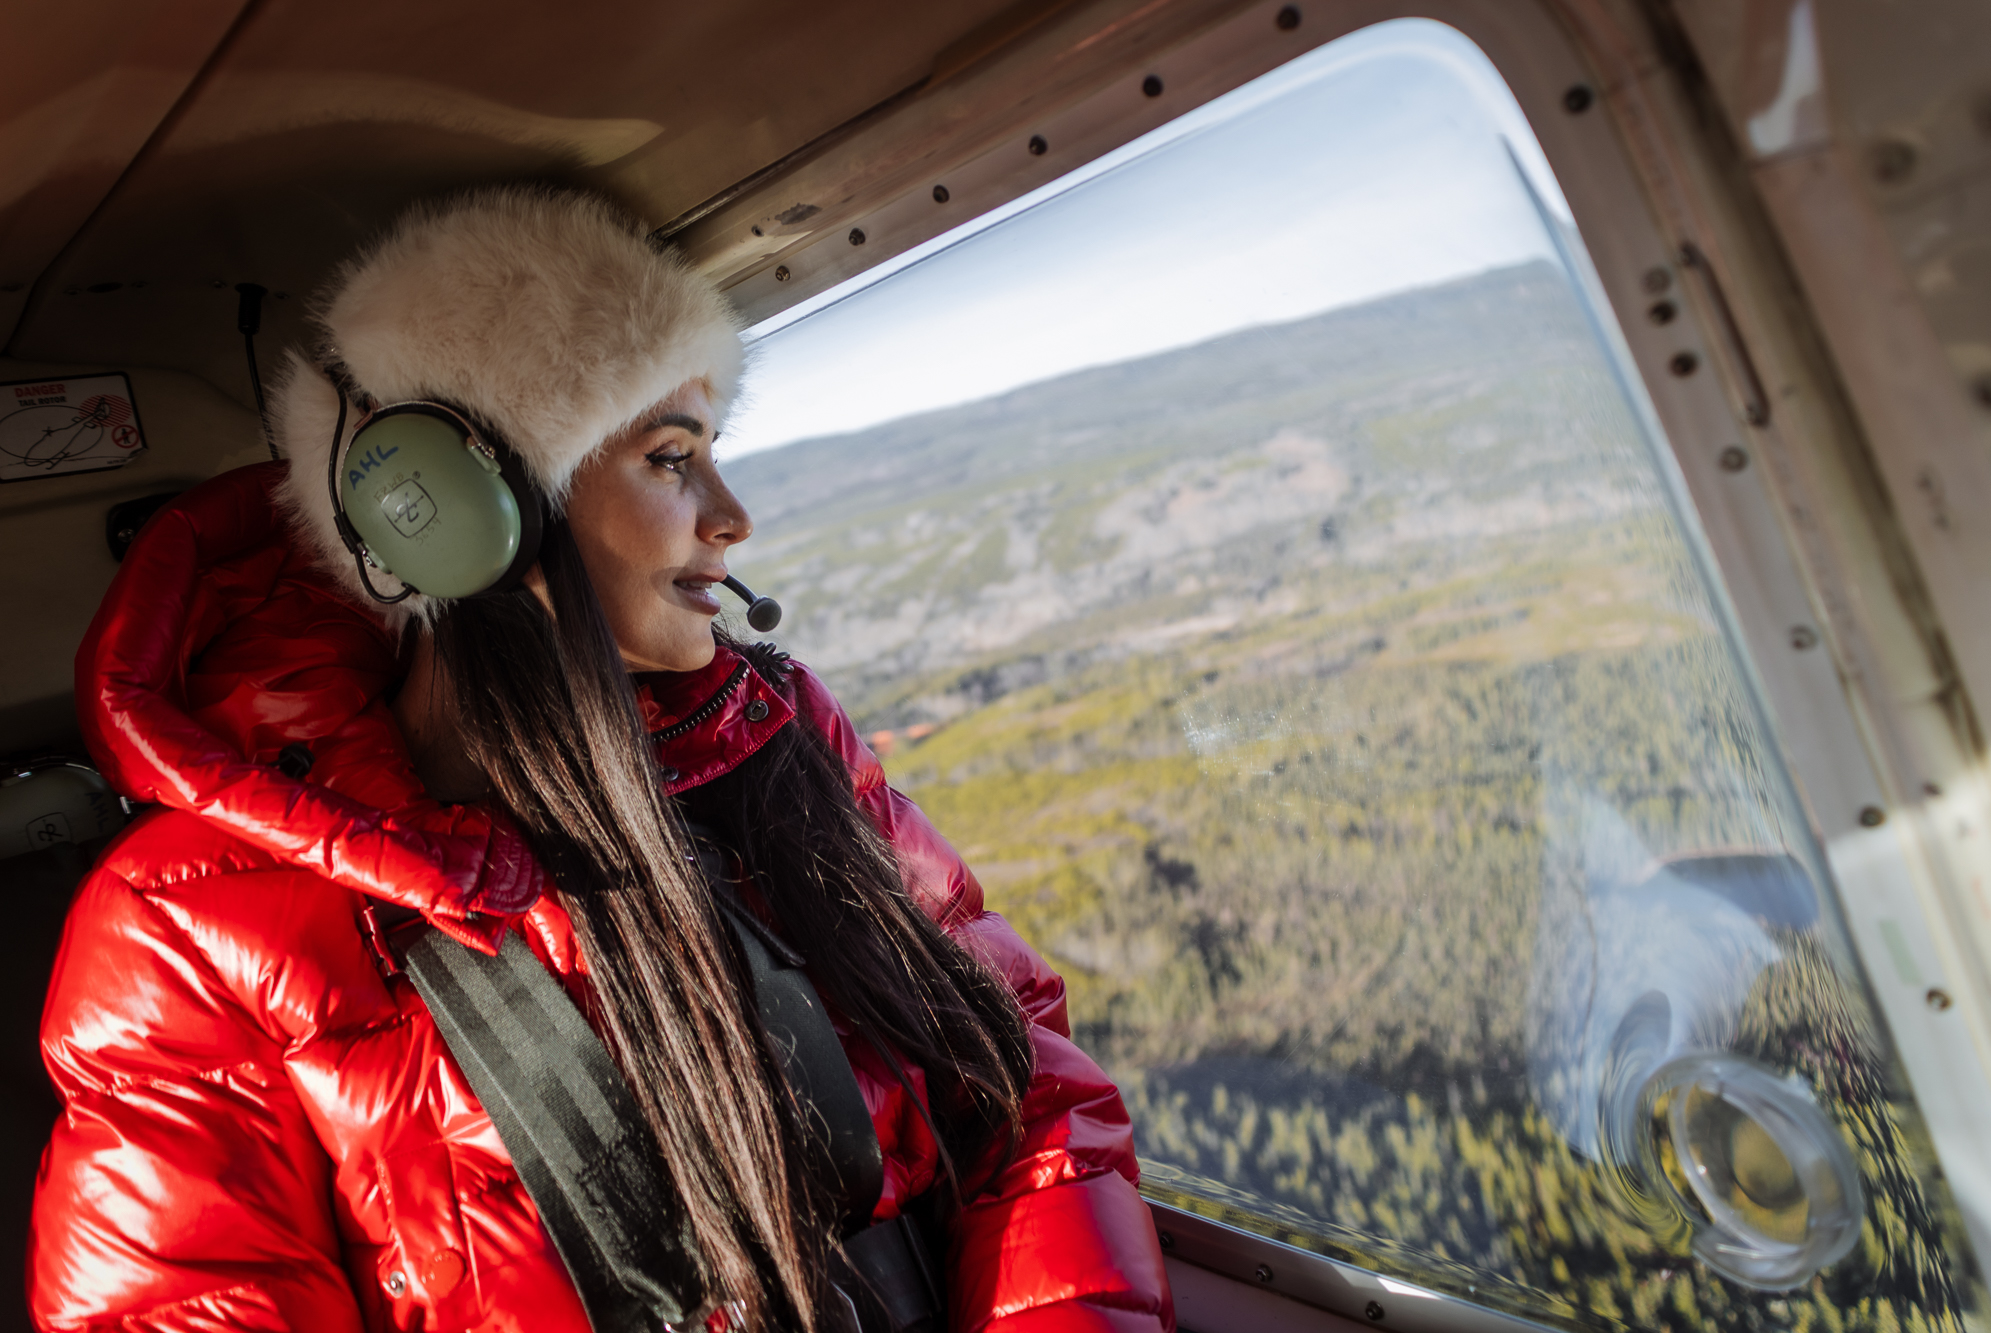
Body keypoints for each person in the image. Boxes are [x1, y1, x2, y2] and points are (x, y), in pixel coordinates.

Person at [30, 188, 1173, 1333]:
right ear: (467, 516)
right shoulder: (182, 919)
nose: (732, 517)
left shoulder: (774, 741)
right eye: (672, 458)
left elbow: (1025, 1088)